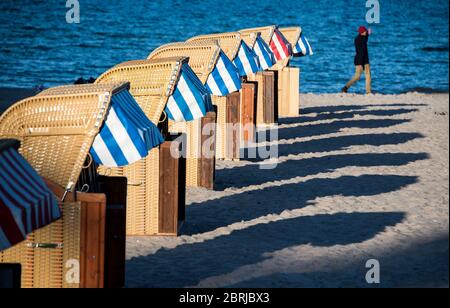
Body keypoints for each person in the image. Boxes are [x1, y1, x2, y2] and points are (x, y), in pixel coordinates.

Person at [342, 26, 372, 94]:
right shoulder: (358, 39)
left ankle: (368, 92)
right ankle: (346, 87)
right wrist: (368, 34)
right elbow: (364, 43)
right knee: (357, 77)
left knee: (368, 76)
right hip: (359, 61)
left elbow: (366, 38)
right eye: (365, 31)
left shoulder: (363, 37)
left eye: (365, 31)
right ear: (361, 33)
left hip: (365, 60)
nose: (366, 32)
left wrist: (368, 33)